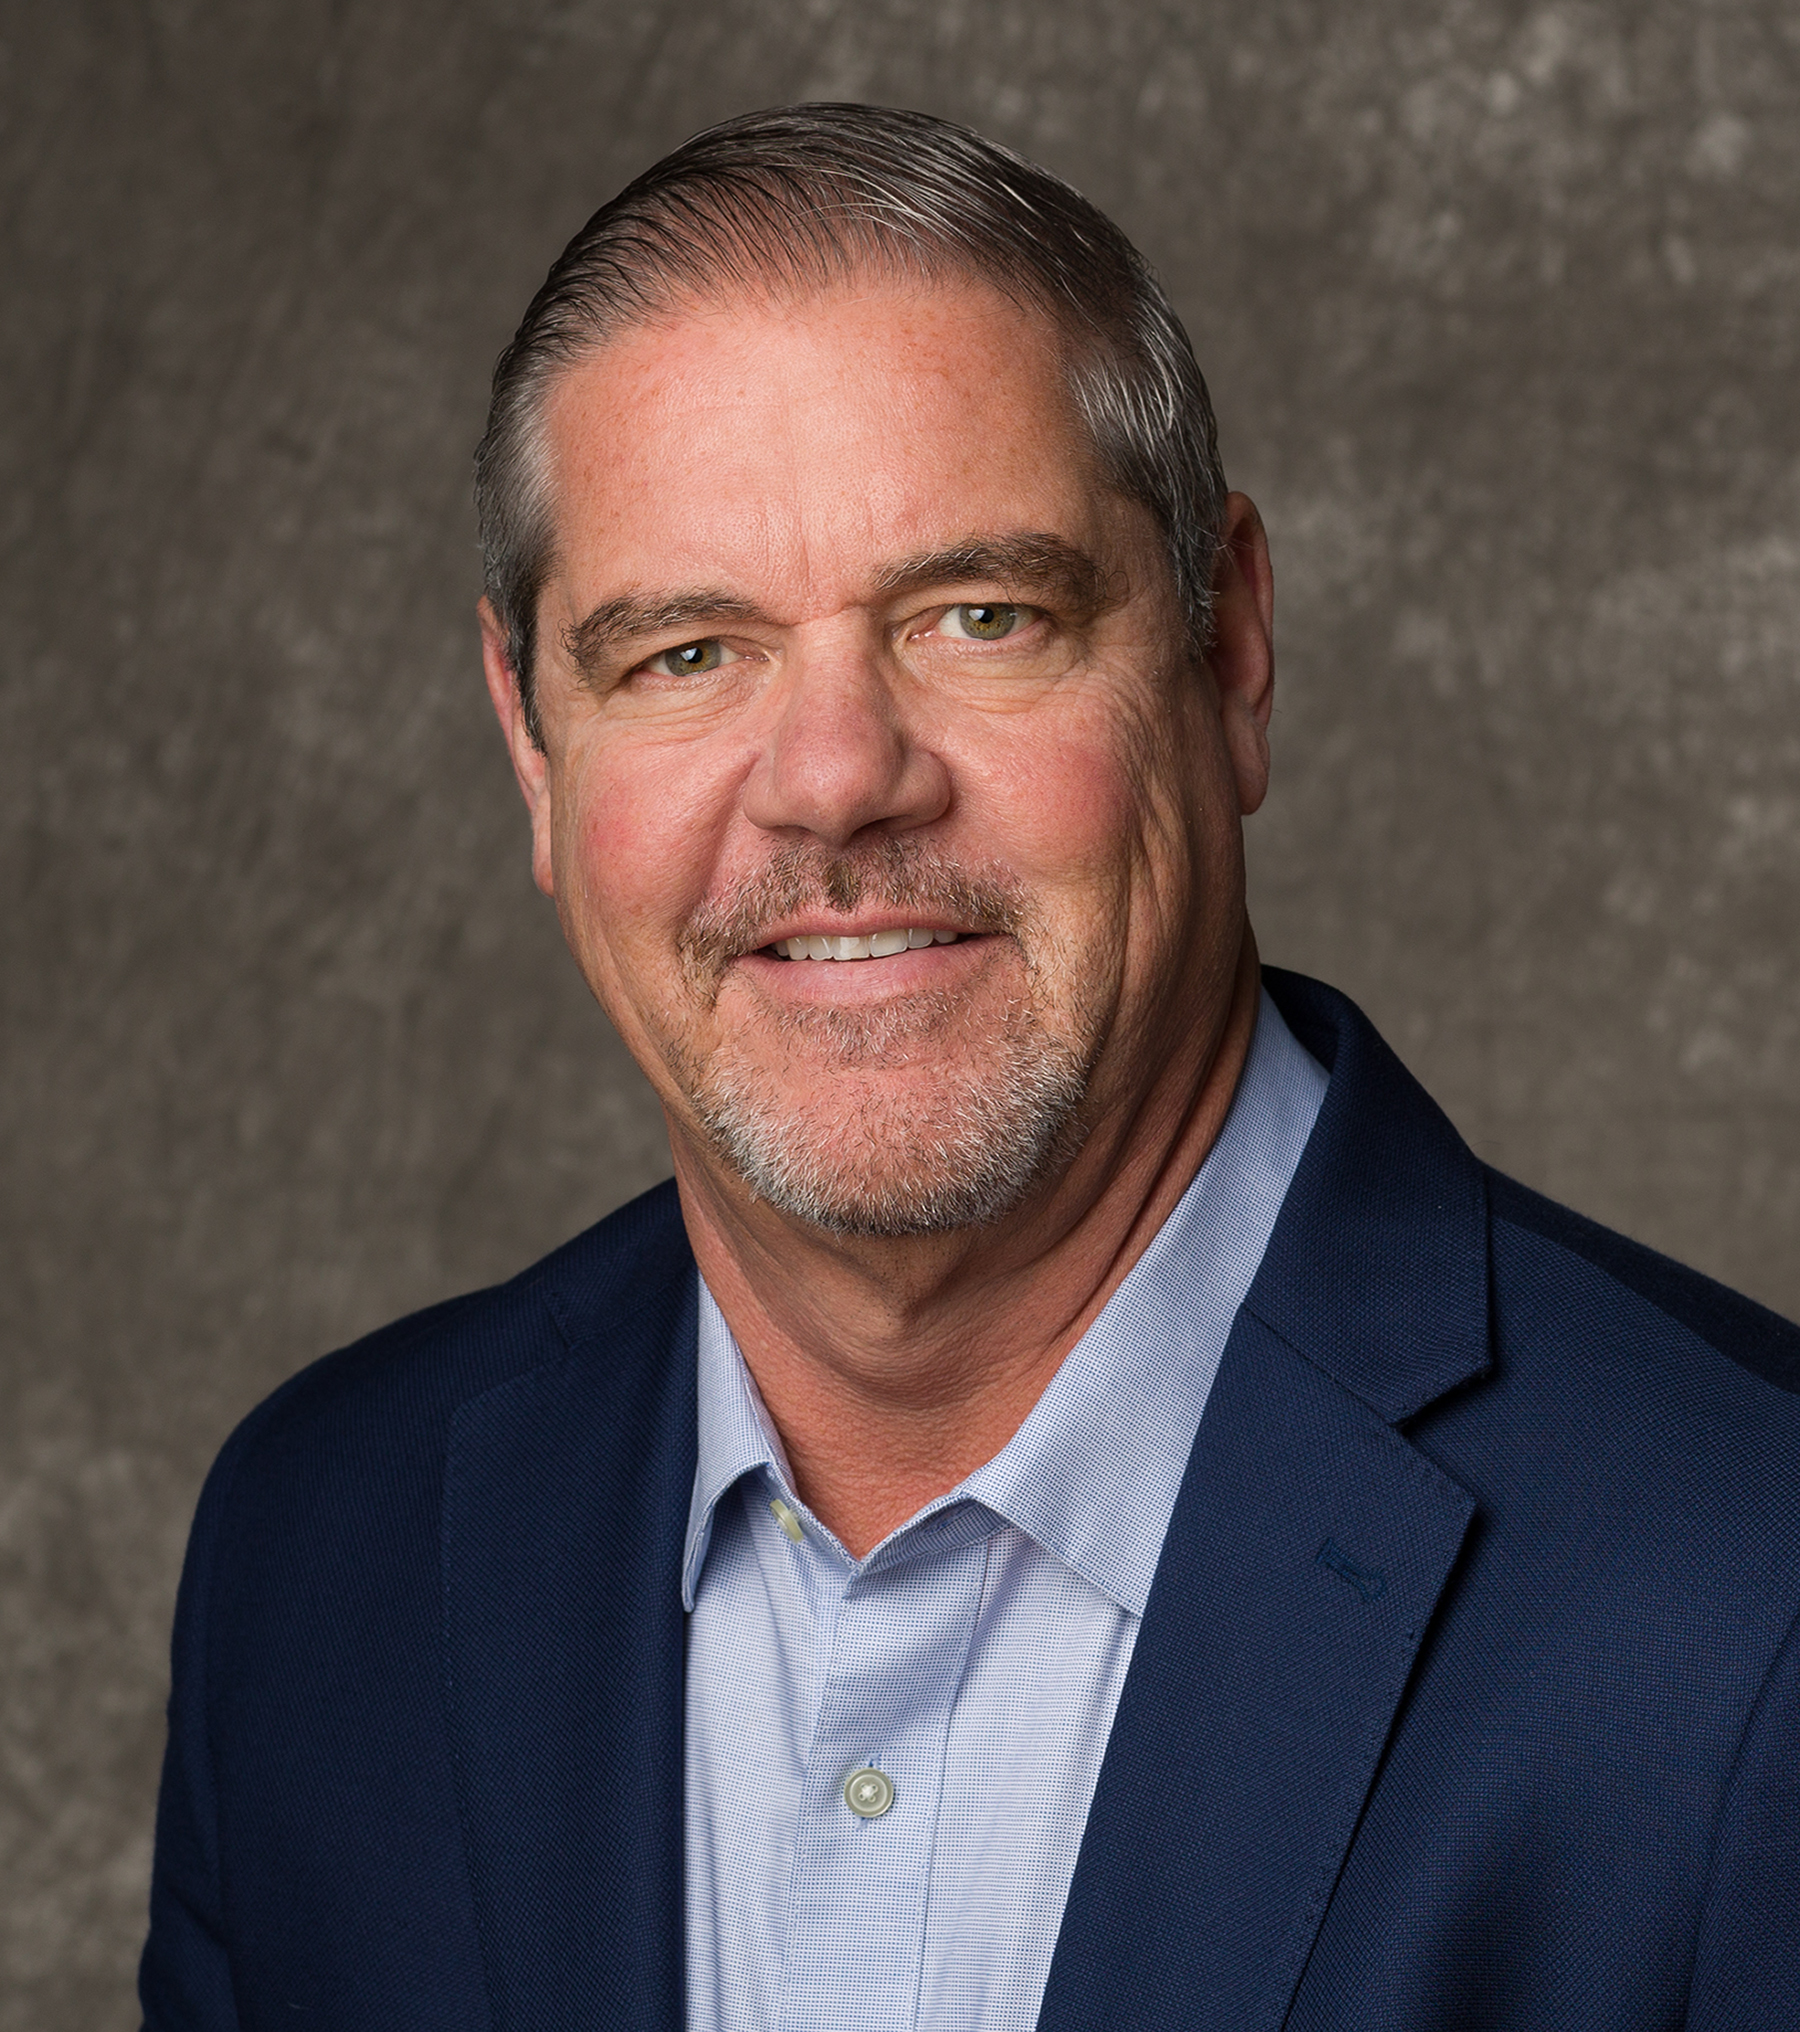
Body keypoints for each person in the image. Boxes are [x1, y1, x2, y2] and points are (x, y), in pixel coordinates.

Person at [140, 104, 1800, 2031]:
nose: (837, 778)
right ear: (531, 743)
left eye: (979, 617)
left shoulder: (1747, 1594)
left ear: (1230, 650)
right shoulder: (321, 1554)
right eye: (687, 654)